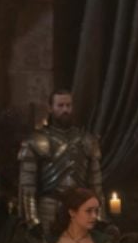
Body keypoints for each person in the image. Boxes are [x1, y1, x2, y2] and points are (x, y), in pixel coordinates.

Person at [17, 89, 104, 229]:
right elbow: (27, 185)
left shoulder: (86, 140)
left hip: (81, 207)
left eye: (68, 105)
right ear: (50, 108)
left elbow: (96, 185)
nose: (65, 110)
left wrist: (99, 216)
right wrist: (32, 219)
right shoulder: (37, 140)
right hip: (49, 208)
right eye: (60, 105)